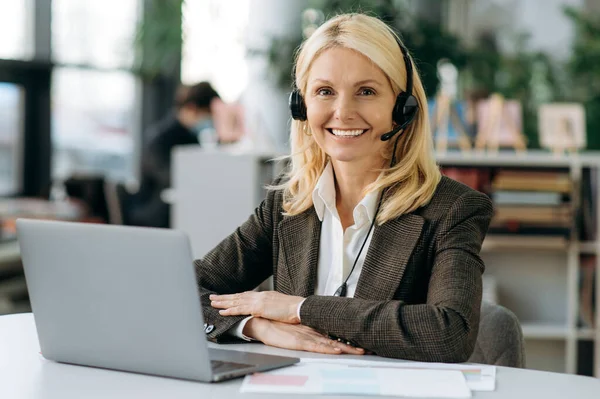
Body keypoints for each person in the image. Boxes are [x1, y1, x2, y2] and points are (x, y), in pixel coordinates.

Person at [196, 13, 494, 362]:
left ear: (403, 108)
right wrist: (254, 326)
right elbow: (184, 288)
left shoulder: (452, 209)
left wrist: (302, 309)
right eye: (324, 91)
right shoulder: (287, 202)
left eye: (366, 92)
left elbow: (449, 333)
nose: (343, 111)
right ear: (301, 105)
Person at [128, 82, 221, 228]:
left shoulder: (190, 138)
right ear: (192, 108)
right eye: (207, 114)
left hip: (180, 211)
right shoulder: (159, 139)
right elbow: (173, 178)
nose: (210, 121)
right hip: (155, 216)